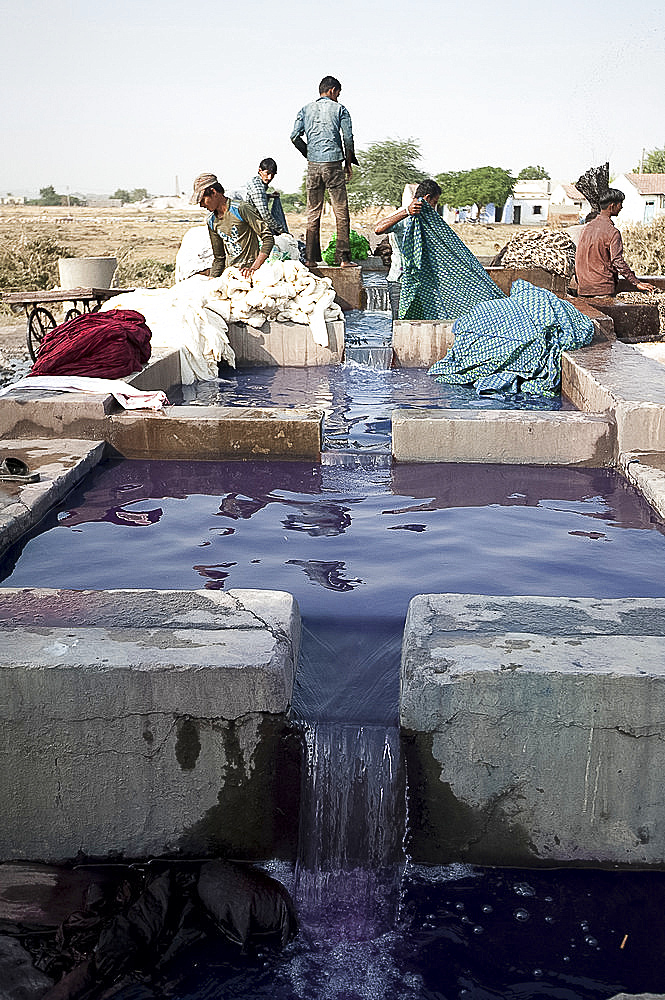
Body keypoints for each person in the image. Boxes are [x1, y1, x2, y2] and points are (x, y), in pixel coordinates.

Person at [290, 75, 358, 268]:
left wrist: (309, 153)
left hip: (313, 165)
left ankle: (310, 259)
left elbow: (294, 136)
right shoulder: (340, 109)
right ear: (332, 91)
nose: (338, 97)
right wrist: (348, 163)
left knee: (313, 212)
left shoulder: (305, 109)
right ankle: (344, 259)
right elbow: (348, 138)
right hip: (333, 164)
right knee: (341, 211)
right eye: (338, 93)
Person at [375, 180, 443, 319]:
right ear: (427, 198)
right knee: (400, 323)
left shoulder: (428, 218)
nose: (434, 207)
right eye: (434, 203)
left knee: (420, 323)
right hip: (399, 280)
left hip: (422, 283)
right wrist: (407, 212)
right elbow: (378, 229)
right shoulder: (403, 214)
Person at [190, 172, 274, 279]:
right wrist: (211, 279)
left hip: (250, 272)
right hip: (231, 273)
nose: (201, 205)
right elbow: (219, 258)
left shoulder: (240, 209)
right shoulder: (211, 220)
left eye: (203, 200)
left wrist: (254, 268)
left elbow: (268, 238)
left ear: (213, 192)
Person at [575, 188, 654, 297]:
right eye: (620, 204)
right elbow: (617, 261)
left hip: (583, 289)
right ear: (612, 206)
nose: (621, 207)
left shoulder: (586, 228)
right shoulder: (612, 232)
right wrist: (636, 282)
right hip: (602, 289)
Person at [245, 157, 288, 236]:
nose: (270, 178)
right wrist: (281, 230)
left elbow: (257, 198)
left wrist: (269, 196)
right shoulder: (257, 187)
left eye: (272, 175)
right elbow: (265, 214)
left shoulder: (256, 182)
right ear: (260, 171)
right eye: (267, 173)